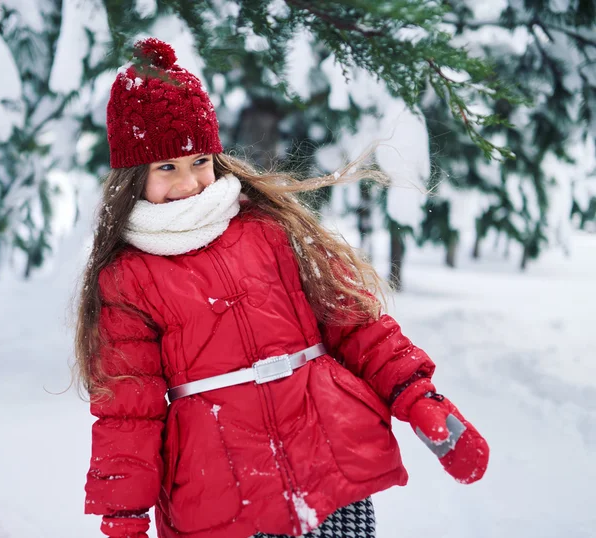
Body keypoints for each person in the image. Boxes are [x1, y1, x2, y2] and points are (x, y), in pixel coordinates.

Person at [75, 38, 489, 538]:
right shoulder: (127, 279)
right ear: (132, 177)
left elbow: (355, 324)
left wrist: (420, 396)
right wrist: (123, 517)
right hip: (227, 489)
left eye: (200, 161)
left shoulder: (269, 229)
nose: (190, 183)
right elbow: (129, 411)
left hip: (327, 462)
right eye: (167, 167)